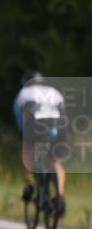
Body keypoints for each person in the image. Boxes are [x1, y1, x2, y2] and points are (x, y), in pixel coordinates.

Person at [13, 71, 67, 215]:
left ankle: (30, 184)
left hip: (35, 126)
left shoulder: (23, 93)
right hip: (57, 127)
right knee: (56, 163)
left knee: (27, 150)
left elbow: (19, 119)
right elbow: (64, 115)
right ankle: (60, 197)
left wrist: (23, 137)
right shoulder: (55, 92)